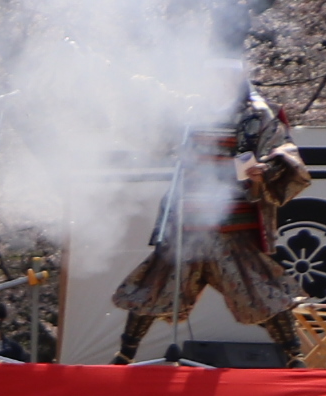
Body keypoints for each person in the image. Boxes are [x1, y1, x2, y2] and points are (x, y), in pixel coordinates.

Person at [112, 90, 313, 364]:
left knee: (261, 290)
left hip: (232, 218)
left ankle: (294, 356)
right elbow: (160, 140)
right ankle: (125, 354)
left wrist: (262, 170)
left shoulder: (257, 113)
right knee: (154, 285)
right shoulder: (189, 105)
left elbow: (279, 151)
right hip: (188, 219)